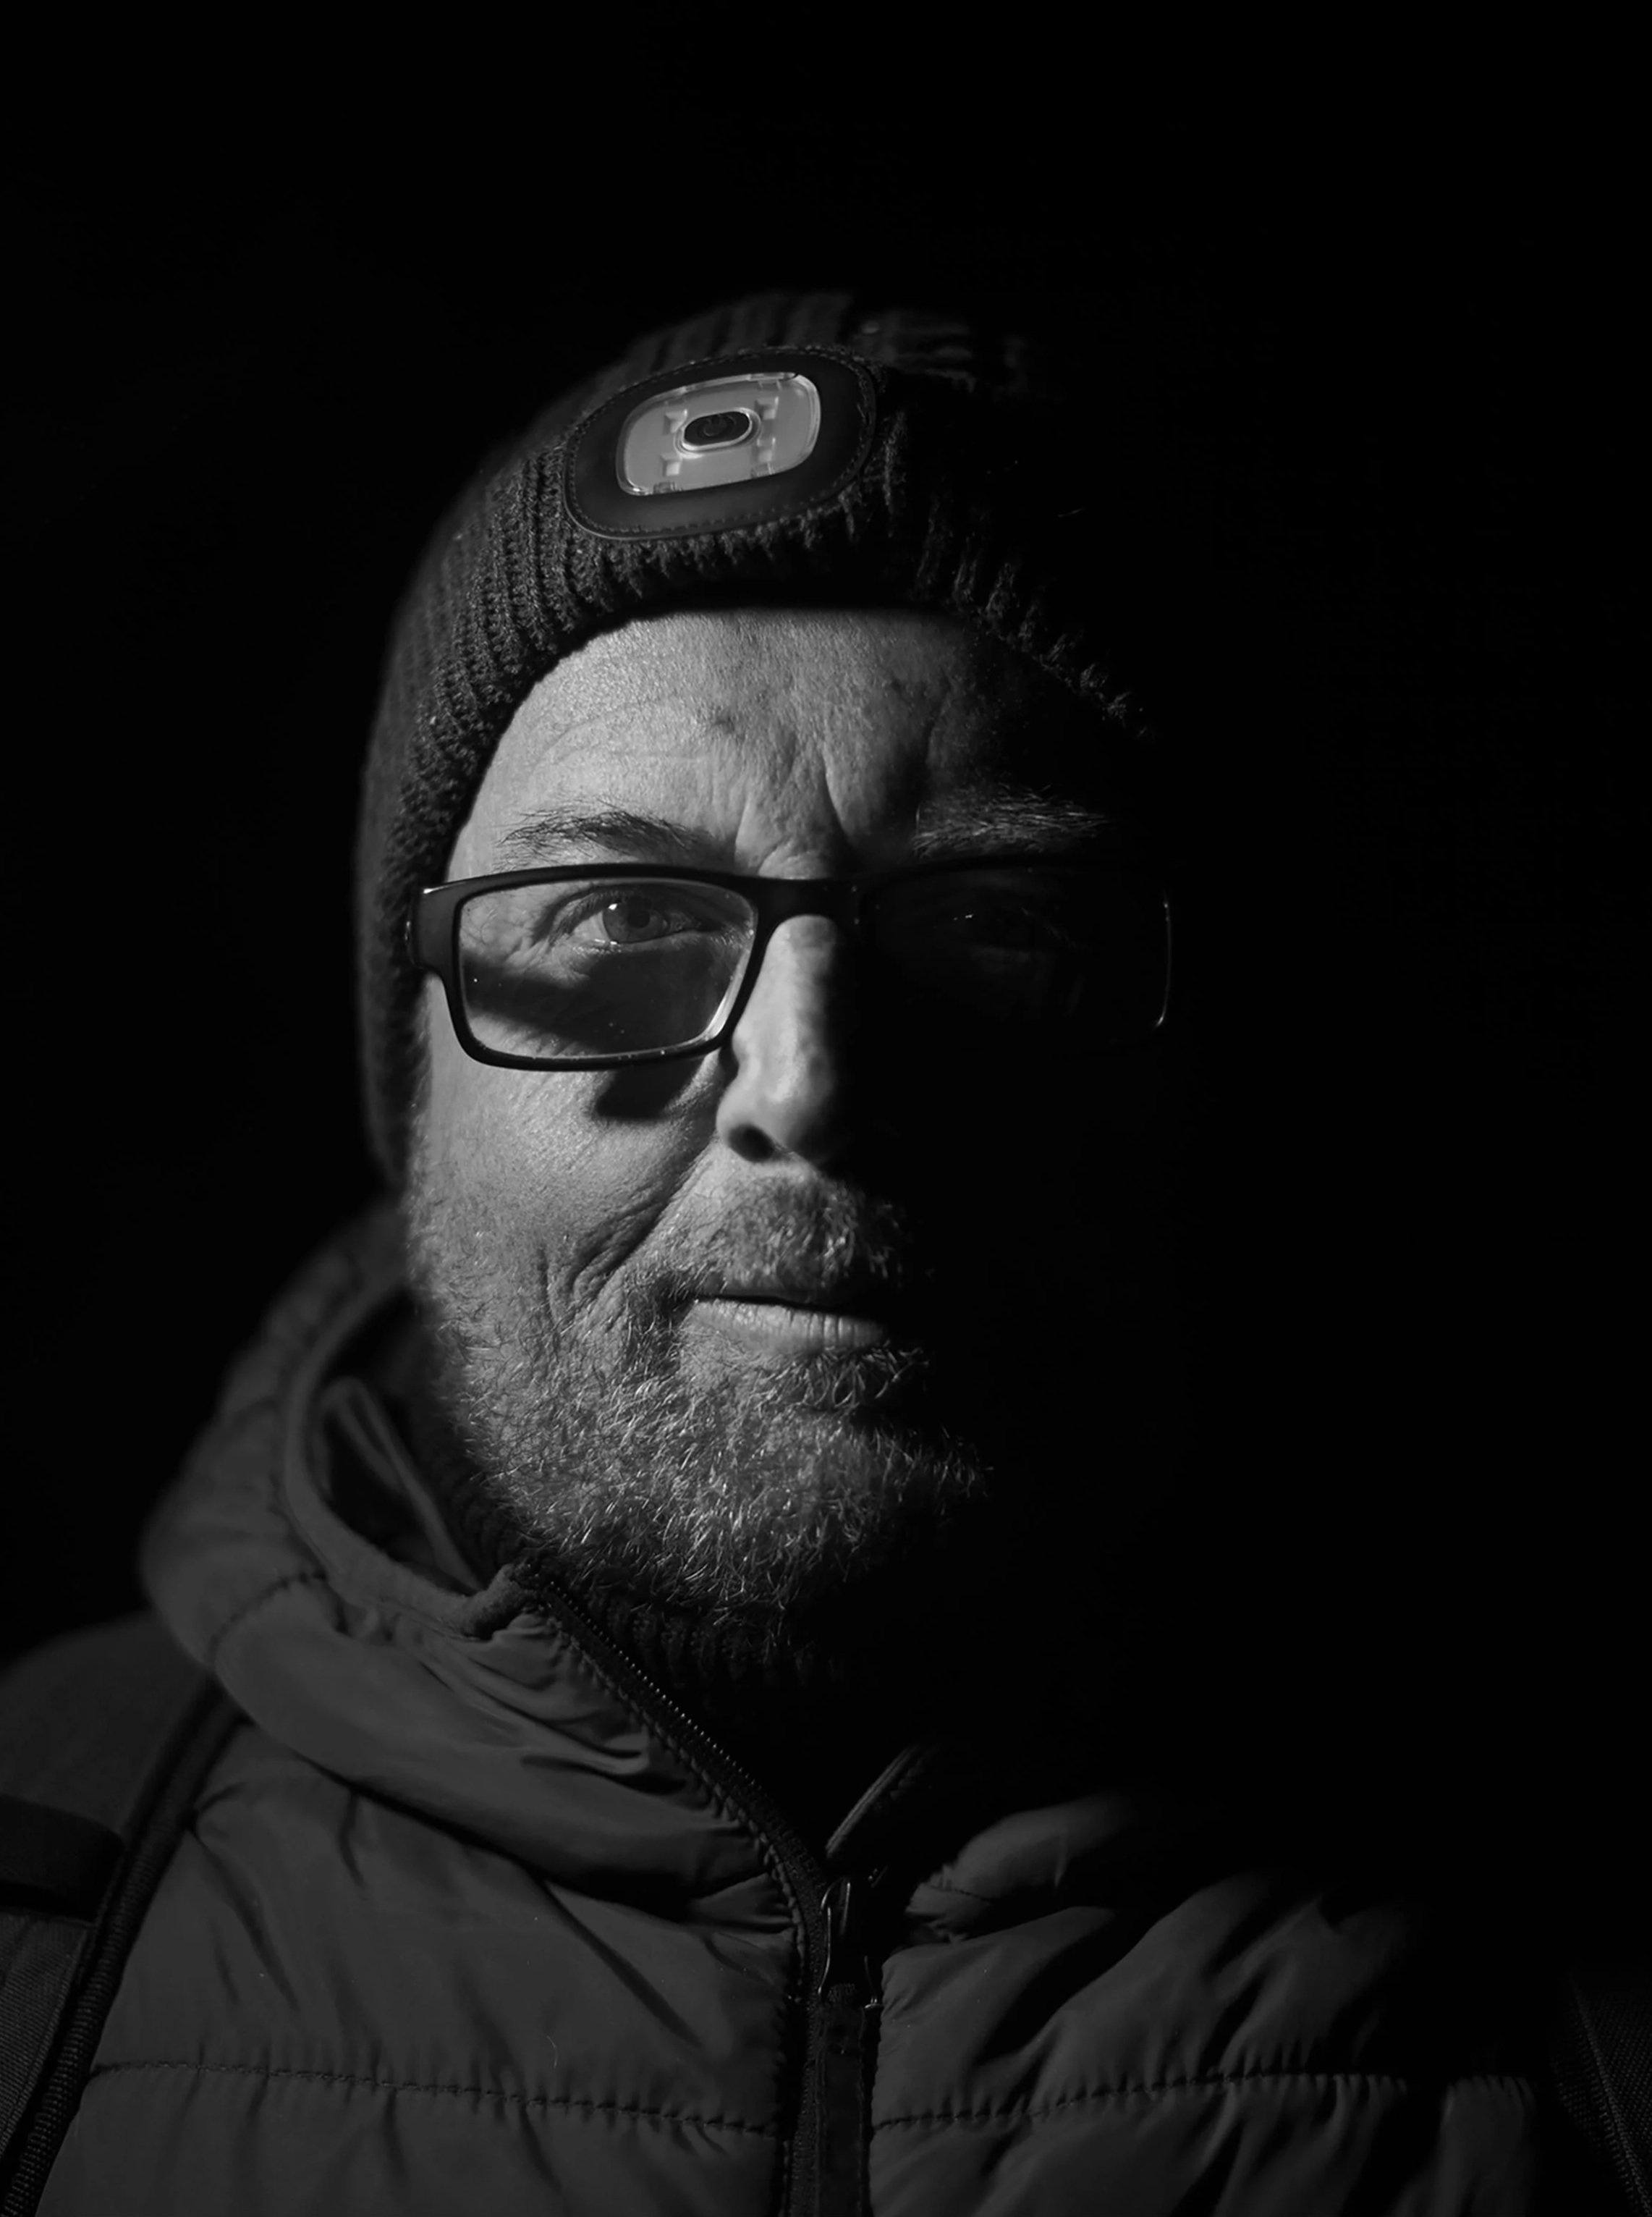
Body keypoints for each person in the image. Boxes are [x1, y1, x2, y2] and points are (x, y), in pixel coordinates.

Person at [1, 291, 1637, 2214]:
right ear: (410, 1061)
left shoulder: (1580, 1937)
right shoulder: (31, 1890)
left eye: (1002, 927)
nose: (813, 1086)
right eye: (616, 921)